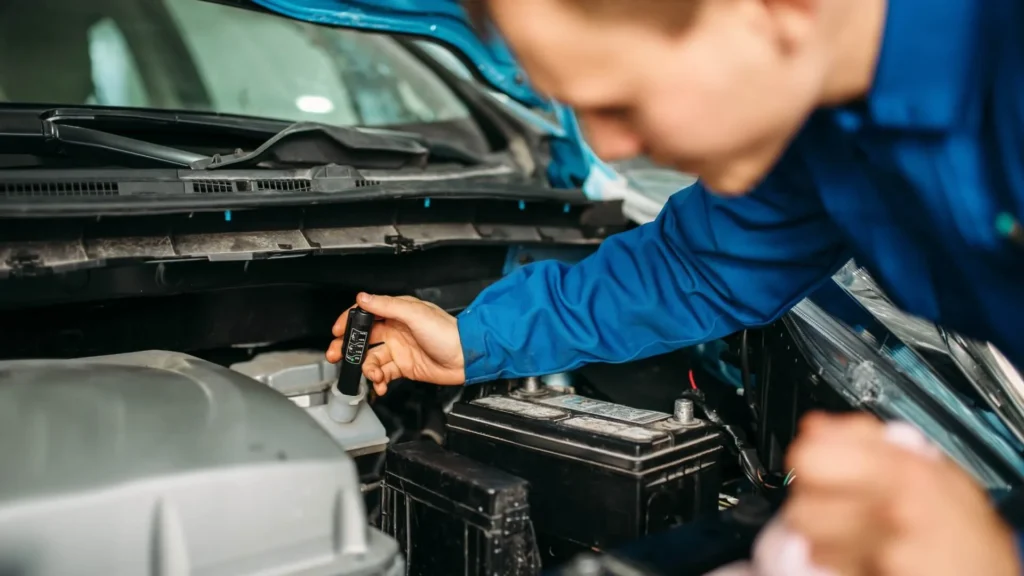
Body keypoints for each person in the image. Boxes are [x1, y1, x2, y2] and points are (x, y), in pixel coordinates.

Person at [325, 0, 1024, 573]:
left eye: (622, 102)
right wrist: (473, 339)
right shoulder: (815, 122)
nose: (610, 149)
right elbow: (696, 264)